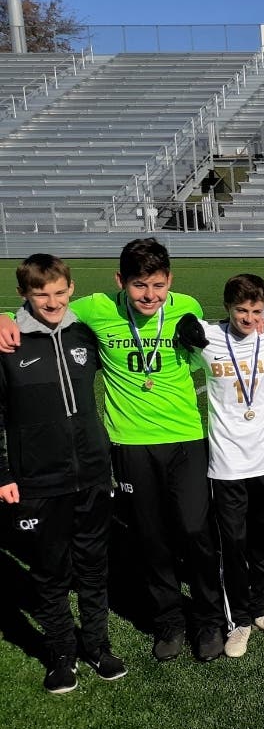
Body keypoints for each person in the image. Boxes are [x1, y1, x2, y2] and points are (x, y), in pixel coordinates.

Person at [0, 239, 225, 662]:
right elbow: (43, 307)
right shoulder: (96, 308)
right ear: (121, 281)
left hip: (185, 439)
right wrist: (4, 317)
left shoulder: (187, 306)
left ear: (170, 280)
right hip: (129, 443)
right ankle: (168, 621)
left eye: (158, 285)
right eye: (140, 285)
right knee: (151, 538)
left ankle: (210, 619)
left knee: (195, 531)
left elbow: (204, 352)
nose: (150, 296)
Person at [0, 254, 122, 691]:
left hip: (92, 473)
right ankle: (61, 654)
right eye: (40, 295)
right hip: (38, 480)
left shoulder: (84, 333)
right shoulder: (8, 343)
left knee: (93, 568)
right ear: (23, 294)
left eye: (58, 292)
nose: (52, 302)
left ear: (71, 288)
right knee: (50, 572)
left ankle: (97, 646)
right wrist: (4, 473)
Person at [181, 274, 264, 658]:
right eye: (241, 310)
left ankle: (262, 610)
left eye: (256, 311)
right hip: (227, 461)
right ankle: (239, 621)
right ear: (228, 307)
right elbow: (180, 325)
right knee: (232, 545)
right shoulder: (208, 337)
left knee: (263, 541)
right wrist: (186, 325)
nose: (249, 318)